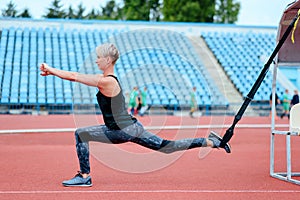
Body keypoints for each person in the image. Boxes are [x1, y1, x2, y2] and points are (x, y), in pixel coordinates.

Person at [39, 43, 231, 187]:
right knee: (167, 147)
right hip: (132, 127)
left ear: (107, 60)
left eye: (98, 57)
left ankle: (84, 176)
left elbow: (74, 76)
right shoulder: (108, 80)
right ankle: (211, 142)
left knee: (81, 133)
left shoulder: (107, 82)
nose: (96, 60)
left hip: (122, 130)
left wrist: (51, 70)